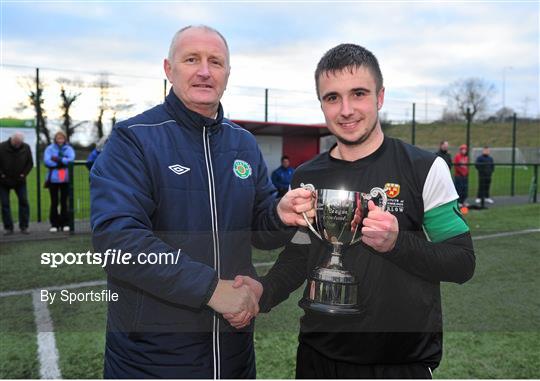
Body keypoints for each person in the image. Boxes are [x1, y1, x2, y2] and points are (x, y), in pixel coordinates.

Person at [226, 43, 475, 378]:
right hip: (318, 358)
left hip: (400, 363)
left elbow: (462, 261)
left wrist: (398, 243)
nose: (346, 109)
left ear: (380, 97)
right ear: (322, 104)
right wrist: (264, 290)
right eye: (332, 97)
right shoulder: (307, 176)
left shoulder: (425, 168)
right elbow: (302, 253)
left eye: (358, 93)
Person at [90, 25, 312, 379]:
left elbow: (260, 230)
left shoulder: (243, 143)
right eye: (192, 59)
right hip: (152, 359)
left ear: (227, 73)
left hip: (232, 353)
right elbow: (117, 240)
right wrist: (210, 289)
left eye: (216, 61)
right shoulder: (133, 138)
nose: (205, 71)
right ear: (169, 69)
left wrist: (280, 215)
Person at [0, 132, 33, 235]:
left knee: (24, 202)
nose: (18, 145)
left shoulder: (26, 147)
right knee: (5, 204)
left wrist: (24, 174)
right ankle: (8, 227)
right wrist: (1, 174)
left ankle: (24, 226)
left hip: (20, 181)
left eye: (20, 143)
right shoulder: (1, 147)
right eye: (16, 143)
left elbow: (30, 163)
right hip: (3, 181)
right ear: (12, 140)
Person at [44, 131, 75, 232]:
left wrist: (57, 159)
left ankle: (65, 223)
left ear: (65, 139)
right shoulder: (50, 148)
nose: (60, 139)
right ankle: (54, 224)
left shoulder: (69, 149)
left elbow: (71, 159)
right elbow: (47, 161)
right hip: (53, 179)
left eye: (62, 138)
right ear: (55, 139)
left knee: (64, 202)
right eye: (58, 138)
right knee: (54, 202)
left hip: (65, 178)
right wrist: (62, 161)